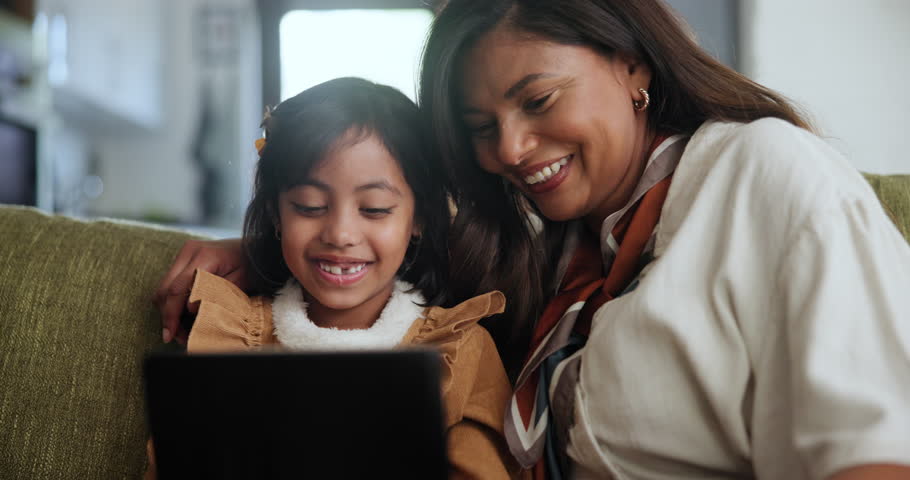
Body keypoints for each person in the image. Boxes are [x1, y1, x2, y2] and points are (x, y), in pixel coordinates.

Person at [155, 1, 910, 479]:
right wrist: (253, 249)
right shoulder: (550, 247)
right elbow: (369, 256)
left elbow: (872, 450)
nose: (510, 150)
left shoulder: (766, 172)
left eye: (538, 99)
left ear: (633, 64)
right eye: (480, 129)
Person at [150, 77, 517, 479]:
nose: (340, 234)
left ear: (419, 219)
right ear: (275, 213)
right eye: (309, 207)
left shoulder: (459, 351)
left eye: (375, 209)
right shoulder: (232, 335)